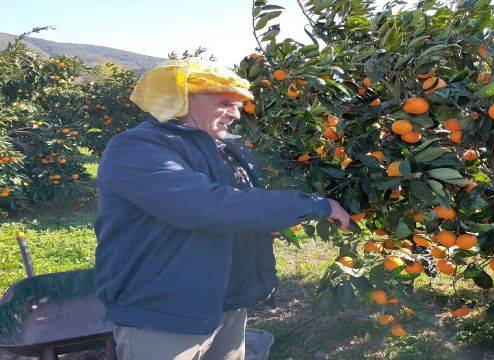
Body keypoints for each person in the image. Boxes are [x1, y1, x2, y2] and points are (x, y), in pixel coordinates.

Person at [93, 59, 350, 360]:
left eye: (239, 104)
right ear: (181, 99)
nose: (236, 113)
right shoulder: (136, 148)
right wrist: (315, 205)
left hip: (226, 304)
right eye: (226, 103)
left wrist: (263, 222)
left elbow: (239, 204)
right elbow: (206, 206)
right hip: (165, 314)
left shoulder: (224, 148)